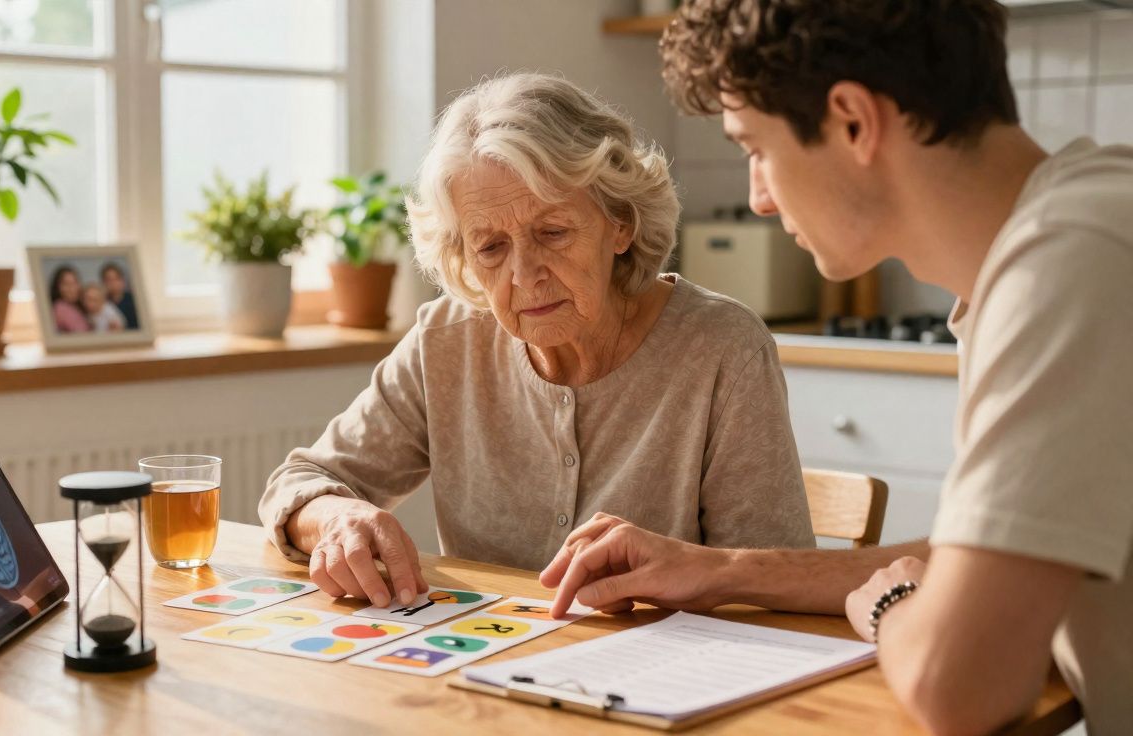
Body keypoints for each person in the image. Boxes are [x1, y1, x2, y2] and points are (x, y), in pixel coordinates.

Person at [542, 2, 1133, 733]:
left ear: (854, 121)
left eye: (756, 148)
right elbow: (991, 565)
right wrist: (720, 571)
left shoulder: (1068, 267)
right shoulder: (1073, 234)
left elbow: (962, 688)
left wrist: (892, 606)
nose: (758, 198)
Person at [259, 72, 814, 611]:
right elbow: (301, 482)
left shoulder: (722, 349)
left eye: (553, 232)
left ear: (620, 223)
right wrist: (337, 517)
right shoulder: (446, 341)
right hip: (485, 663)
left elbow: (776, 583)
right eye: (491, 247)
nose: (525, 275)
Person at [49, 265, 89, 333]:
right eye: (66, 284)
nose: (72, 288)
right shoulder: (60, 308)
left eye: (75, 282)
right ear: (58, 287)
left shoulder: (77, 307)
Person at [101, 262, 139, 330]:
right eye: (109, 280)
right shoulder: (103, 304)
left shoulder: (134, 300)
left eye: (116, 279)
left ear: (122, 280)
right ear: (103, 282)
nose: (113, 283)